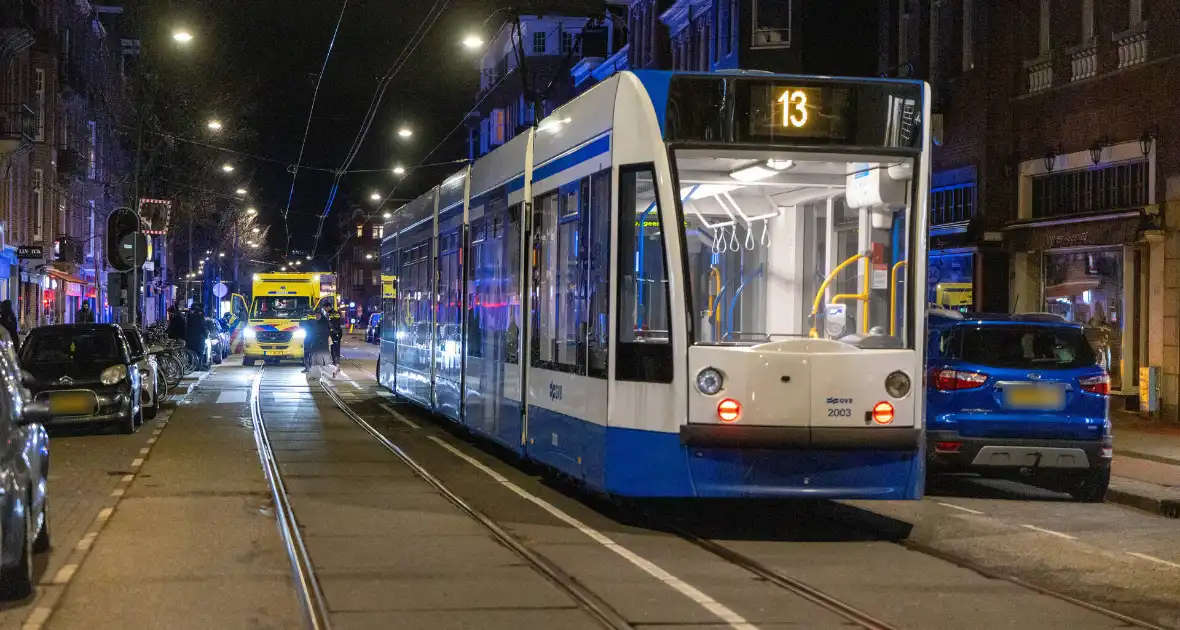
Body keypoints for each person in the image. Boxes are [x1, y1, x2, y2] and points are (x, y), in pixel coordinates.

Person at [304, 307, 333, 379]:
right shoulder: (314, 321)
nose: (317, 316)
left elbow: (326, 331)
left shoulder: (324, 322)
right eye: (316, 315)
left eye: (318, 315)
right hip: (316, 341)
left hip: (322, 342)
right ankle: (313, 372)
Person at [185, 303, 208, 369]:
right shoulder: (198, 316)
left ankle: (196, 366)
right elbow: (202, 326)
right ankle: (197, 366)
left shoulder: (191, 316)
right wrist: (205, 333)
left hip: (193, 337)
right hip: (198, 337)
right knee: (199, 351)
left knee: (194, 352)